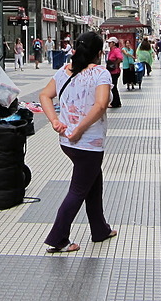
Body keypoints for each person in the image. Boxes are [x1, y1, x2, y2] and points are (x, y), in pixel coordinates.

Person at [39, 31, 117, 253]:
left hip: (67, 142)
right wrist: (79, 130)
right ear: (99, 53)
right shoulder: (101, 74)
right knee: (78, 190)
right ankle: (58, 238)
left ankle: (100, 229)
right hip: (88, 144)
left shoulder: (64, 71)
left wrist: (55, 121)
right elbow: (101, 105)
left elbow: (45, 95)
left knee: (94, 182)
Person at [105, 38, 123, 107]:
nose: (109, 44)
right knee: (113, 86)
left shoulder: (116, 50)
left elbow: (120, 58)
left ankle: (115, 102)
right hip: (111, 71)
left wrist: (115, 64)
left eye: (110, 43)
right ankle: (116, 101)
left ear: (114, 43)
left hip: (115, 71)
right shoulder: (111, 50)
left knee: (113, 86)